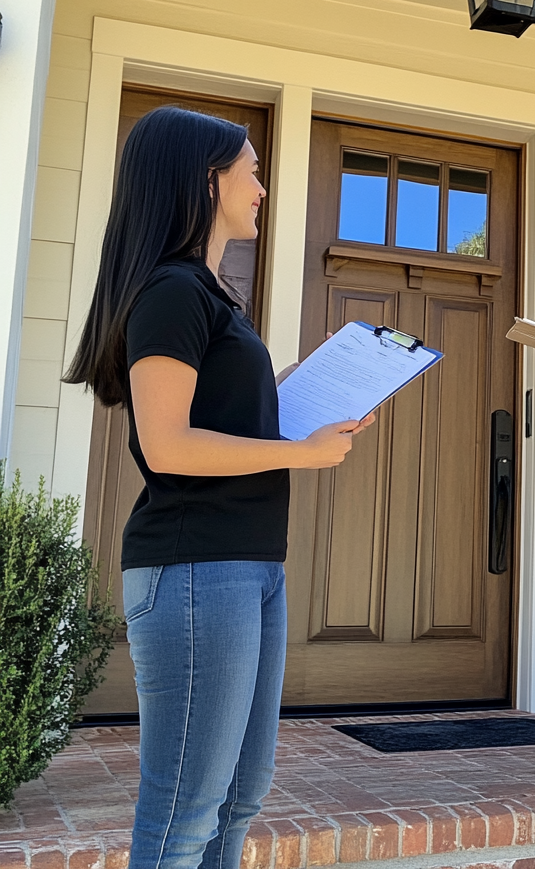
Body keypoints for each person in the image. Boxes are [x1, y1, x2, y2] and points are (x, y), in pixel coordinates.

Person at [64, 106, 374, 869]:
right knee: (186, 805)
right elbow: (168, 445)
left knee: (239, 793)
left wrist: (297, 388)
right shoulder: (172, 291)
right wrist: (300, 454)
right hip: (196, 568)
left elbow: (217, 414)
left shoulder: (206, 293)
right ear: (209, 180)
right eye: (255, 169)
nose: (264, 188)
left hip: (248, 564)